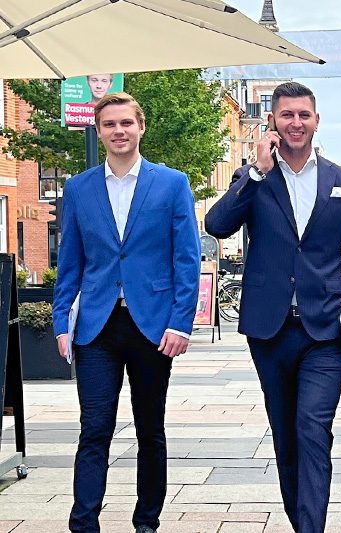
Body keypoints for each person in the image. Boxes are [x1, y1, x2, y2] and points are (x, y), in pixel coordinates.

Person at [205, 81, 341, 532]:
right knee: (286, 438)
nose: (296, 123)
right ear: (272, 122)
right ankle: (301, 521)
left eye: (304, 115)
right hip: (270, 330)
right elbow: (217, 225)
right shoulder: (255, 177)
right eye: (287, 115)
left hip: (325, 331)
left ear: (316, 121)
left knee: (312, 430)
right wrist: (257, 172)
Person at [52, 92, 201, 533]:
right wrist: (61, 321)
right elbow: (70, 261)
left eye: (126, 123)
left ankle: (146, 522)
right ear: (98, 131)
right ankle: (83, 523)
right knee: (94, 428)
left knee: (149, 429)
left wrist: (181, 322)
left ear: (141, 127)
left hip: (152, 326)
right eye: (109, 124)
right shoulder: (79, 189)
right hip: (96, 327)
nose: (119, 131)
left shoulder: (171, 183)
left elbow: (186, 259)